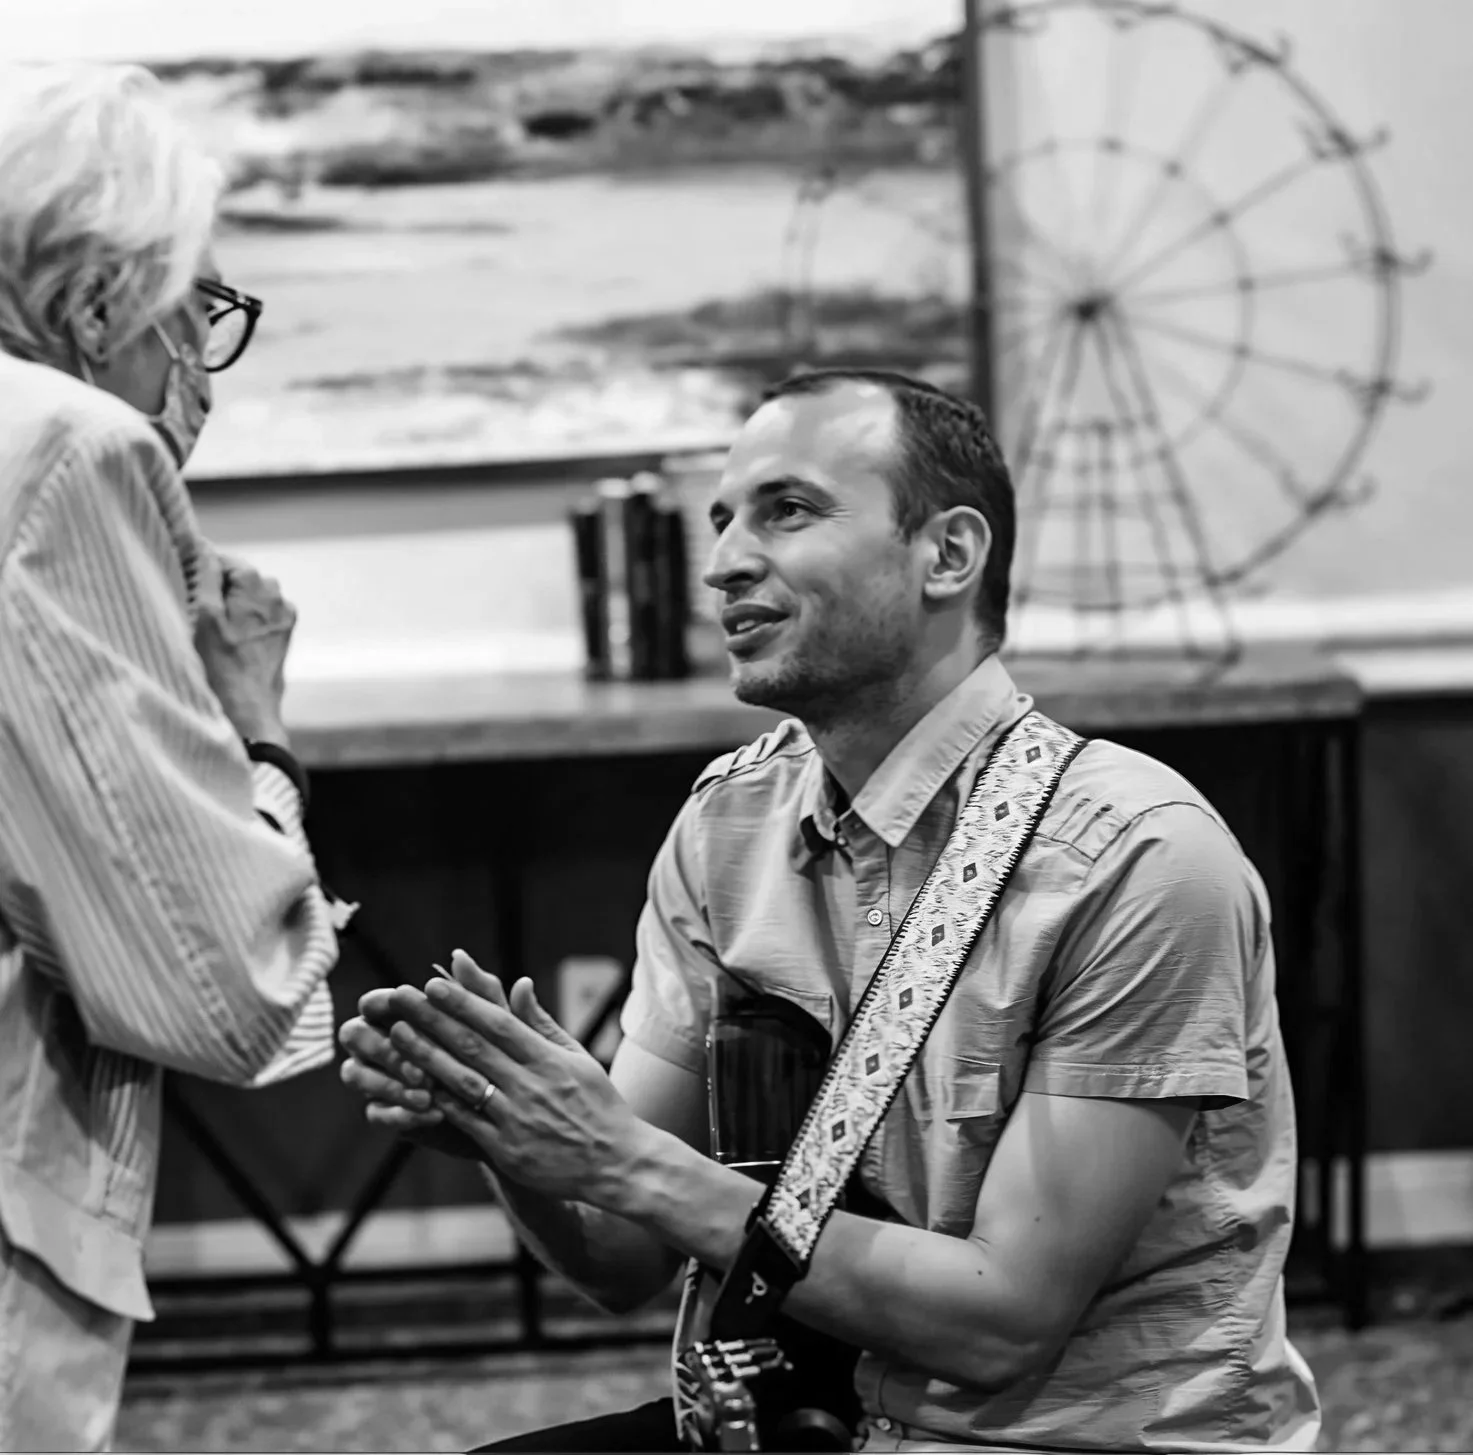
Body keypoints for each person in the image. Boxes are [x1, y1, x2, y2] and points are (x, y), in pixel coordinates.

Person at [340, 369, 1321, 1452]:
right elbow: (622, 1260)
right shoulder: (730, 824)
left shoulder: (1137, 856)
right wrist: (511, 1136)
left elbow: (1004, 1323)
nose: (723, 563)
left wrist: (620, 1156)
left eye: (788, 510)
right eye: (722, 521)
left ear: (948, 555)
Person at [0, 63, 341, 1452]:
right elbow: (222, 986)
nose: (199, 361)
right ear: (98, 300)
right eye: (194, 306)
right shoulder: (62, 445)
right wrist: (257, 727)